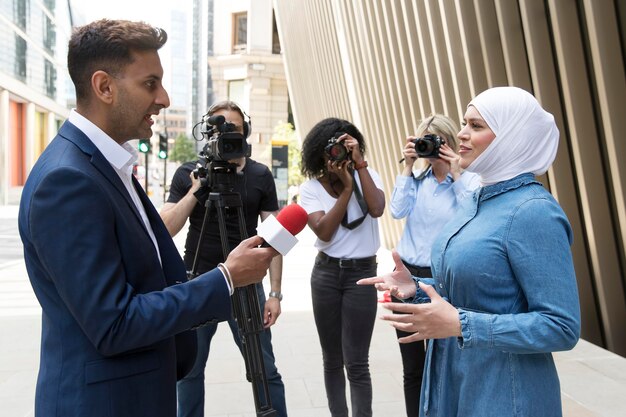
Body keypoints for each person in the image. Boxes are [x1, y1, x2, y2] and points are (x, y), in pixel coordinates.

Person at [17, 20, 276, 417]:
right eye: (150, 84)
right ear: (104, 87)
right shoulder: (66, 180)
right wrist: (225, 278)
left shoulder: (108, 163)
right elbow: (114, 324)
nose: (165, 98)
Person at [358, 86, 581, 417]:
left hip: (505, 395)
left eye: (476, 126)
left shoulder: (533, 212)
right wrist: (417, 289)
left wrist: (462, 324)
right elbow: (474, 288)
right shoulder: (477, 199)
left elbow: (561, 326)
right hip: (457, 380)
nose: (460, 134)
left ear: (511, 137)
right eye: (464, 123)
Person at [160, 100, 287, 417]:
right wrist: (197, 189)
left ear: (247, 134)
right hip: (198, 282)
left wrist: (275, 293)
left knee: (265, 370)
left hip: (246, 287)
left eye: (236, 130)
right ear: (208, 132)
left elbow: (274, 239)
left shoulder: (259, 175)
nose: (230, 136)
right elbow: (166, 229)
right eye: (222, 128)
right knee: (188, 371)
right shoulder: (189, 173)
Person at [389, 114, 480, 417]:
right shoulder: (415, 181)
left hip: (444, 282)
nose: (429, 147)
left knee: (446, 367)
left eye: (434, 140)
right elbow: (397, 210)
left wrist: (456, 173)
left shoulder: (467, 181)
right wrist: (407, 165)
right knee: (413, 369)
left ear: (449, 142)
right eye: (422, 141)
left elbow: (474, 214)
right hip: (406, 282)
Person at [299, 117, 386, 417]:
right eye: (329, 149)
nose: (335, 155)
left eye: (342, 147)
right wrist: (346, 190)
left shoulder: (368, 174)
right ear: (319, 155)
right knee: (332, 360)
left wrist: (358, 168)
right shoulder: (310, 189)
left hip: (362, 275)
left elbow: (376, 209)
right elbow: (324, 231)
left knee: (358, 362)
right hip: (325, 275)